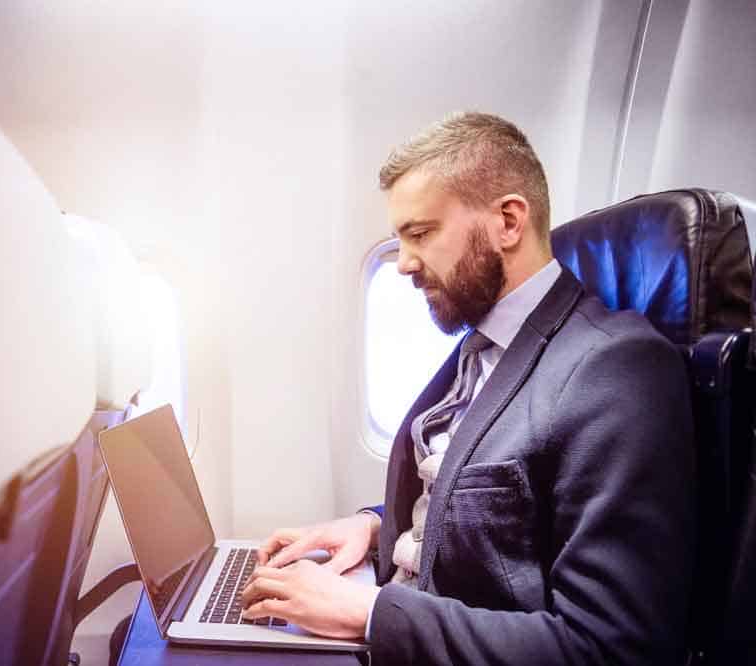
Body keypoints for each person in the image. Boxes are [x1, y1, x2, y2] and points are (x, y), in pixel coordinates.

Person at [240, 111, 696, 664]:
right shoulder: (486, 348)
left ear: (508, 221)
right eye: (399, 240)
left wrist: (367, 614)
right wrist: (374, 527)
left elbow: (610, 646)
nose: (405, 264)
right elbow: (500, 520)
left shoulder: (615, 369)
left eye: (421, 234)